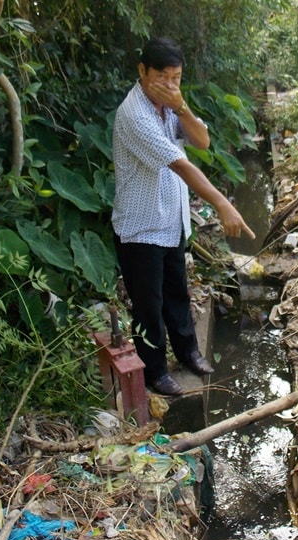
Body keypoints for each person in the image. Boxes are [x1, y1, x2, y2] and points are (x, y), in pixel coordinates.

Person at [112, 37, 255, 397]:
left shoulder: (168, 106)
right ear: (142, 71)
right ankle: (155, 372)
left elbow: (202, 141)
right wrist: (222, 203)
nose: (170, 85)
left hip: (171, 220)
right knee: (149, 305)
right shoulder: (135, 114)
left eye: (176, 77)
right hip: (141, 227)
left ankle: (189, 352)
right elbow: (180, 163)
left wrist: (182, 107)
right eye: (162, 76)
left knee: (177, 291)